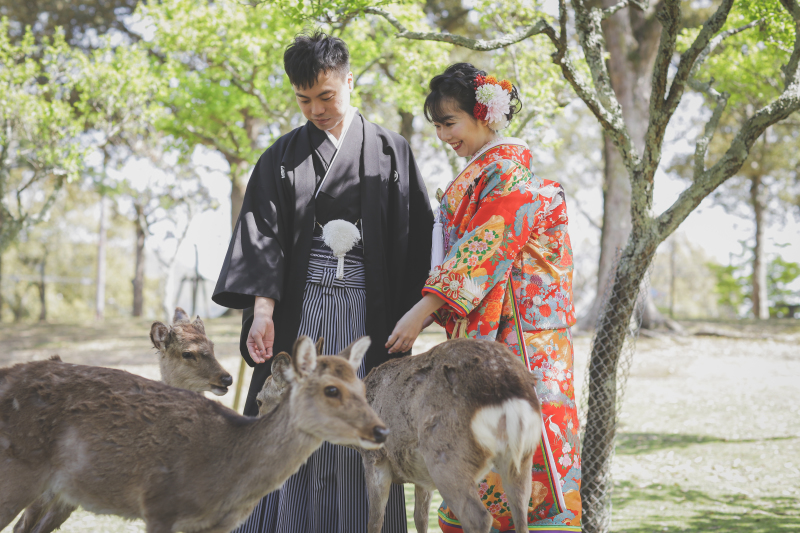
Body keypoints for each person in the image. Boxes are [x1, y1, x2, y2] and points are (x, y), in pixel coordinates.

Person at [212, 31, 433, 533]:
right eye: (303, 99)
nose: (315, 109)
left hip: (367, 316)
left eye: (326, 96)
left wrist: (414, 317)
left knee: (357, 417)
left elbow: (417, 238)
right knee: (295, 415)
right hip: (301, 312)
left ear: (349, 80)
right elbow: (262, 235)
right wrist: (263, 312)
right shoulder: (281, 156)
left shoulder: (391, 151)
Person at [387, 63, 582, 532]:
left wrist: (421, 310)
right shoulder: (482, 173)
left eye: (449, 123)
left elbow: (488, 242)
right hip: (500, 330)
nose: (441, 135)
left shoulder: (509, 172)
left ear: (485, 116)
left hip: (522, 337)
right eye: (435, 125)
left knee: (530, 451)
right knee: (481, 444)